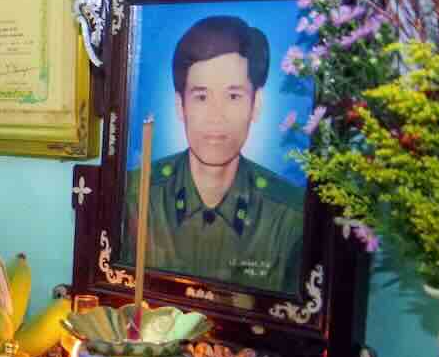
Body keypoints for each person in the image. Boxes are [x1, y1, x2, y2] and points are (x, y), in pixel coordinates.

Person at [123, 15, 305, 295]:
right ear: (180, 106)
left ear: (256, 104)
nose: (216, 117)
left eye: (233, 96)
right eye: (201, 96)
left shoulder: (291, 217)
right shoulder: (133, 197)